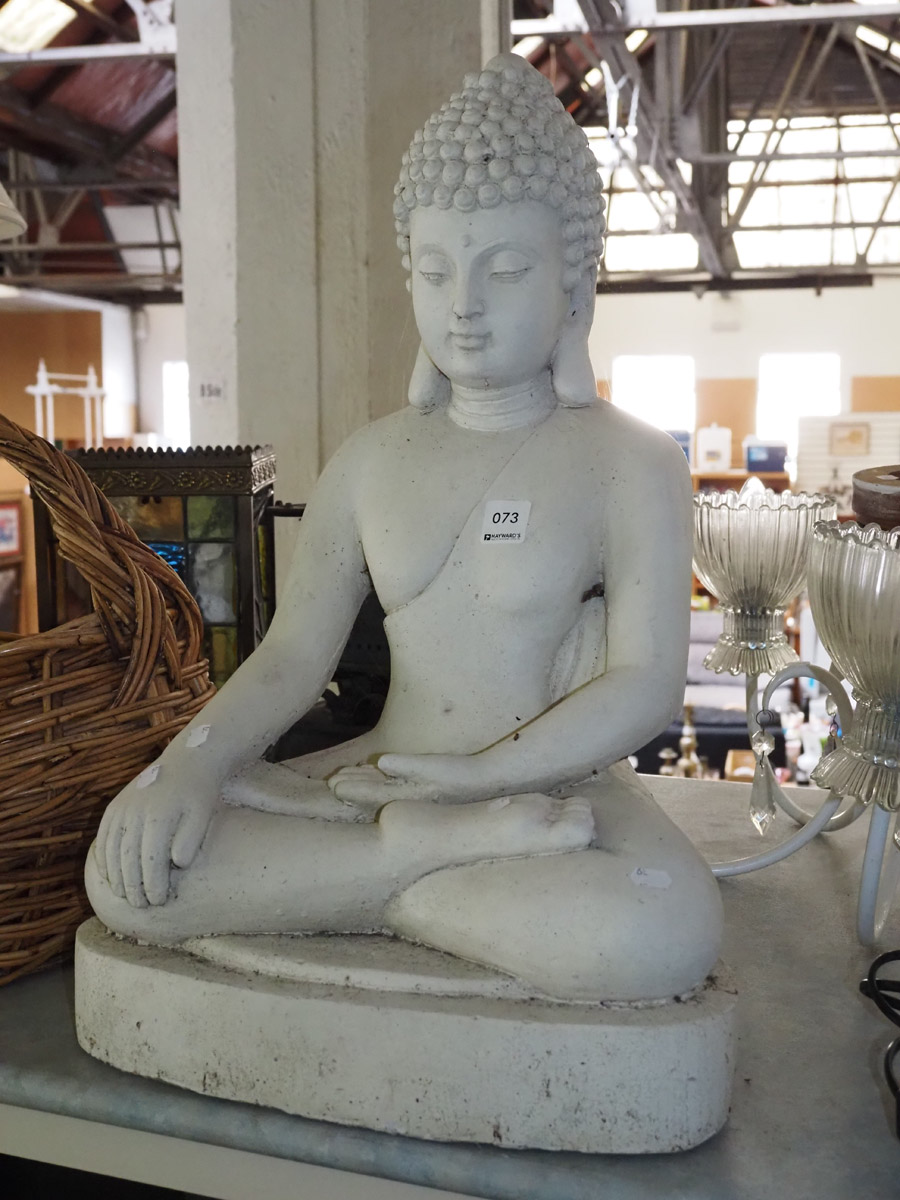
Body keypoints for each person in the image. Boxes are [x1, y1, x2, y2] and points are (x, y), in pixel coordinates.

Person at [86, 54, 723, 1003]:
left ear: (576, 289)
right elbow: (292, 655)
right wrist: (191, 764)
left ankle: (376, 877)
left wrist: (479, 778)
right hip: (375, 781)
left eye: (506, 269)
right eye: (434, 270)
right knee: (127, 869)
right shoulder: (371, 459)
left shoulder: (632, 463)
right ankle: (411, 865)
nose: (464, 305)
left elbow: (644, 682)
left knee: (659, 928)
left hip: (550, 793)